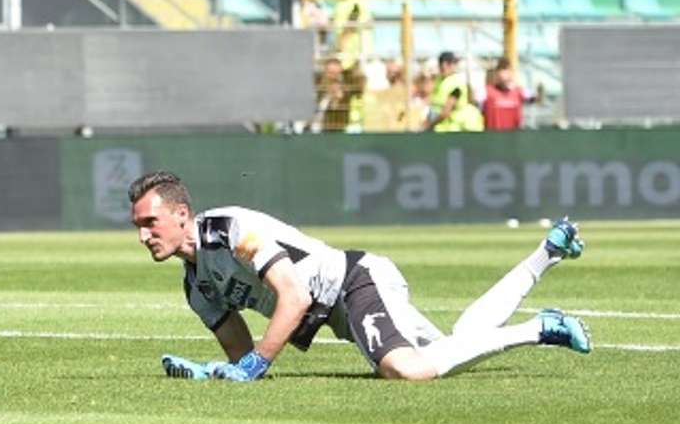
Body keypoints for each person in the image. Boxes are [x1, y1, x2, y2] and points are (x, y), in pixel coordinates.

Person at [131, 171, 591, 384]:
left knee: (405, 370)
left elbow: (293, 298)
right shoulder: (196, 287)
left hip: (355, 281)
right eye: (138, 226)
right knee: (454, 346)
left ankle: (540, 328)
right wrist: (214, 375)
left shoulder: (230, 229)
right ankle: (547, 253)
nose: (143, 236)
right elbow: (241, 357)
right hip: (339, 313)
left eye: (150, 223)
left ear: (182, 214)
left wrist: (254, 367)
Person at [427, 50, 485, 131]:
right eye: (441, 63)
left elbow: (446, 112)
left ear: (454, 65)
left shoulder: (456, 83)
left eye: (448, 63)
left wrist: (428, 127)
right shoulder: (439, 80)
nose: (444, 66)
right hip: (441, 128)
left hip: (453, 129)